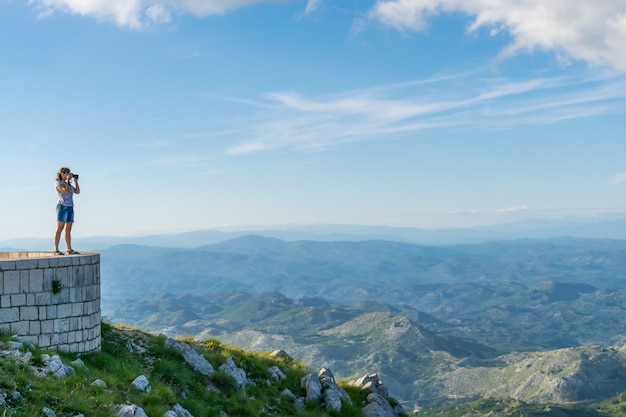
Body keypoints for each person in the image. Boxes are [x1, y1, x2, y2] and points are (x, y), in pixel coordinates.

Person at [54, 167, 80, 255]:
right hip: (62, 206)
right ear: (62, 174)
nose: (68, 175)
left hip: (70, 207)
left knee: (68, 229)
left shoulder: (66, 183)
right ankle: (56, 249)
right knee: (59, 228)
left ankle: (69, 249)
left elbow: (77, 191)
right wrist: (68, 181)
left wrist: (76, 181)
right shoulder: (58, 183)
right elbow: (66, 191)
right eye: (67, 173)